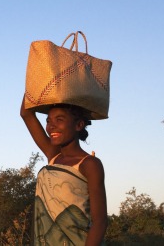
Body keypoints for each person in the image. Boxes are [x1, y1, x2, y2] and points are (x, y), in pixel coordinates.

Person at [20, 96, 107, 245]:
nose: (51, 126)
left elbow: (100, 222)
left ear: (79, 125)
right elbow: (26, 113)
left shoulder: (89, 164)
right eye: (48, 121)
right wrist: (36, 76)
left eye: (59, 120)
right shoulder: (54, 156)